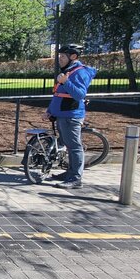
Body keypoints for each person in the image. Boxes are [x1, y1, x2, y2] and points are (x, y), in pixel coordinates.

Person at [43, 44, 97, 189]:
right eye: (59, 56)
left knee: (74, 147)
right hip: (62, 115)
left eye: (62, 56)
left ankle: (75, 178)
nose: (59, 59)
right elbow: (59, 95)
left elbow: (79, 94)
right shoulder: (68, 71)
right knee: (69, 146)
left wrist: (65, 82)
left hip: (71, 116)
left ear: (73, 57)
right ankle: (69, 173)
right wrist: (50, 110)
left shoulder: (80, 72)